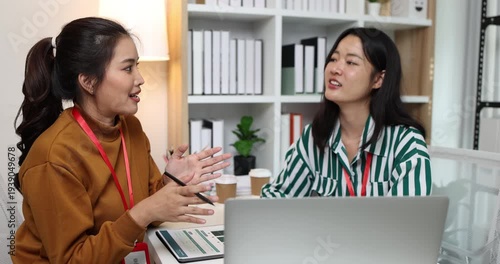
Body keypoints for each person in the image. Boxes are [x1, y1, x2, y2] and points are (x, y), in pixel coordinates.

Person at [12, 17, 231, 263]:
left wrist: (170, 182)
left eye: (136, 66)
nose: (140, 79)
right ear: (88, 81)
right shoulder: (55, 157)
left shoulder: (130, 128)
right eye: (128, 68)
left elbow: (147, 213)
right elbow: (72, 259)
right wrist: (145, 210)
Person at [262, 27, 431, 198]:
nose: (335, 68)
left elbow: (406, 221)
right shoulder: (315, 136)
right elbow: (279, 198)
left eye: (351, 62)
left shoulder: (406, 143)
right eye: (333, 59)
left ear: (379, 79)